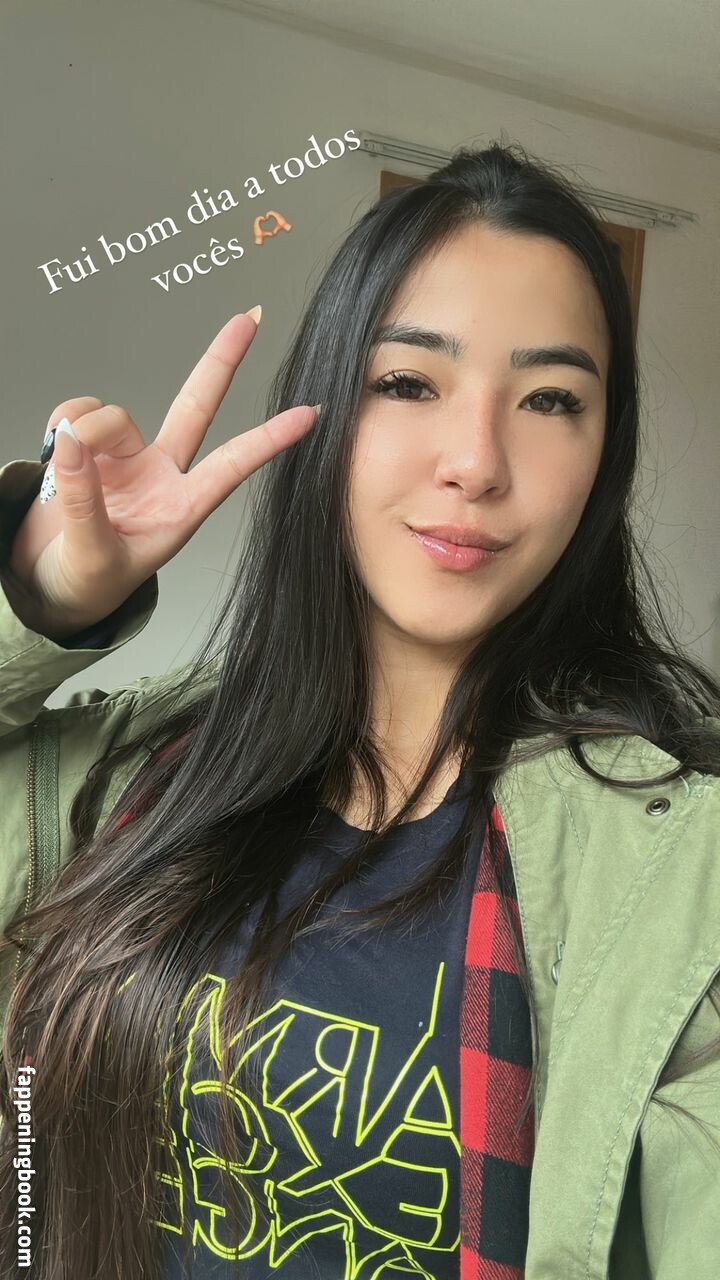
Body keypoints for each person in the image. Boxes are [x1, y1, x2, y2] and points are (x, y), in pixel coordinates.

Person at [0, 140, 719, 1280]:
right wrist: (40, 600)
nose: (475, 462)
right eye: (410, 383)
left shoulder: (682, 875)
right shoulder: (135, 774)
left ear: (604, 455)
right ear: (326, 410)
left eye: (550, 399)